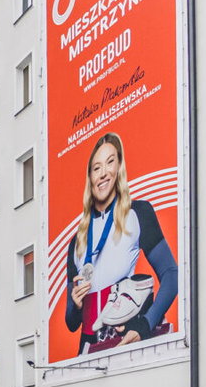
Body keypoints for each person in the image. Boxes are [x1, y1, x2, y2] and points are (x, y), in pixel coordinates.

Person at [65, 132, 178, 355]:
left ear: (119, 168)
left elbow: (171, 275)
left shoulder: (138, 213)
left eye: (110, 162)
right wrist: (76, 305)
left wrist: (145, 325)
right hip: (87, 349)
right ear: (90, 177)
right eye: (96, 168)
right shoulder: (76, 241)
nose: (103, 173)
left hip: (124, 339)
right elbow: (71, 323)